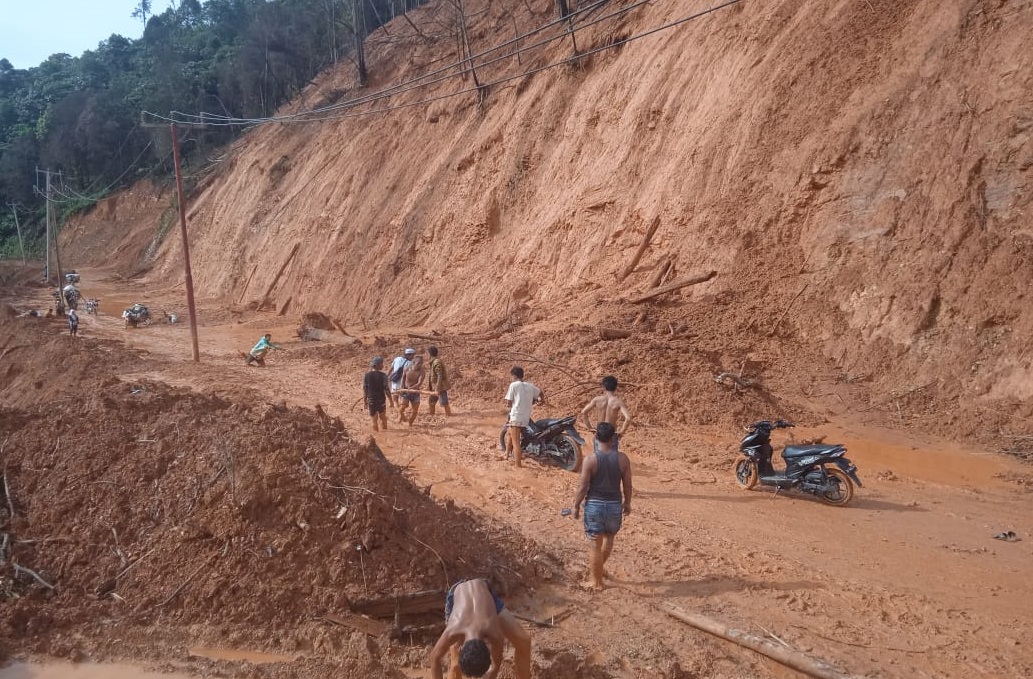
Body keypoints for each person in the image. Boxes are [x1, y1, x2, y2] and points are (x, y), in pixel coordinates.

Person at [428, 578, 531, 679]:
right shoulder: (452, 631)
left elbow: (495, 666)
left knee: (524, 641)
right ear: (462, 647)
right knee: (455, 664)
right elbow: (434, 658)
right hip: (456, 596)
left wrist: (491, 673)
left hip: (486, 594)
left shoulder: (494, 633)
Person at [571, 422, 633, 591]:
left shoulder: (590, 460)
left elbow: (583, 487)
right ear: (613, 438)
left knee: (594, 545)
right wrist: (627, 503)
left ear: (596, 438)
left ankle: (596, 582)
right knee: (609, 538)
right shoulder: (623, 459)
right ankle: (599, 568)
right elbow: (627, 486)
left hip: (595, 506)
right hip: (614, 506)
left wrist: (576, 506)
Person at [503, 366, 542, 468]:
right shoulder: (530, 386)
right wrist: (541, 400)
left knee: (516, 443)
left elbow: (508, 402)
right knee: (509, 433)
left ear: (514, 376)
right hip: (526, 417)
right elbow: (540, 392)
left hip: (516, 416)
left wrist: (510, 404)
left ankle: (518, 465)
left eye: (512, 376)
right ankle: (506, 455)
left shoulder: (513, 385)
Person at [579, 375, 632, 449]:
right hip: (611, 434)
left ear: (603, 387)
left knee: (598, 457)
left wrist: (590, 428)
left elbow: (584, 412)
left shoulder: (597, 400)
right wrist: (622, 432)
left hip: (599, 433)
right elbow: (628, 418)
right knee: (612, 457)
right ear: (616, 387)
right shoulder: (618, 402)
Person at [363, 356, 393, 431]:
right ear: (376, 365)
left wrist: (365, 401)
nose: (383, 365)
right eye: (381, 363)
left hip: (371, 400)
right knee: (383, 418)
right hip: (381, 400)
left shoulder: (367, 375)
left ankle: (377, 438)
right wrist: (391, 401)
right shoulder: (383, 376)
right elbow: (386, 389)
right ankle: (386, 433)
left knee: (374, 420)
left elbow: (365, 389)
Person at [399, 354, 425, 425]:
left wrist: (411, 388)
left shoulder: (422, 372)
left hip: (415, 393)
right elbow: (403, 378)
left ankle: (410, 423)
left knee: (415, 411)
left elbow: (419, 383)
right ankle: (403, 417)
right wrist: (402, 387)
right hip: (406, 392)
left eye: (421, 363)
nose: (420, 365)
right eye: (419, 363)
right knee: (401, 409)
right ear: (413, 362)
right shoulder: (407, 368)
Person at [427, 345, 453, 417]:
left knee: (444, 401)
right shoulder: (434, 362)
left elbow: (439, 376)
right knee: (431, 401)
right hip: (435, 386)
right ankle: (432, 415)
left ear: (429, 354)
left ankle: (449, 415)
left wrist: (437, 388)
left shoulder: (436, 362)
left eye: (427, 353)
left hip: (440, 386)